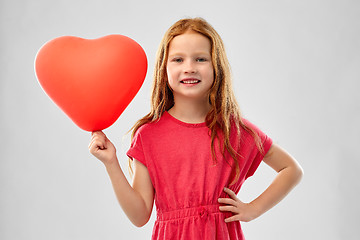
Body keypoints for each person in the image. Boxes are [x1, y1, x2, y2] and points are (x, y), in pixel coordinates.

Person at [89, 17, 303, 240]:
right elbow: (139, 215)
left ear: (216, 66)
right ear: (164, 68)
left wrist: (253, 209)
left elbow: (291, 169)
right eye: (178, 60)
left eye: (200, 59)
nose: (189, 68)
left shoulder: (235, 129)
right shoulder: (148, 136)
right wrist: (111, 163)